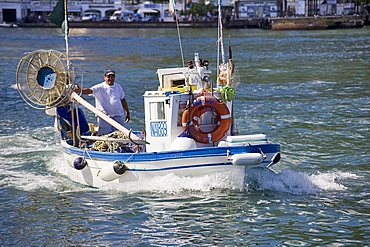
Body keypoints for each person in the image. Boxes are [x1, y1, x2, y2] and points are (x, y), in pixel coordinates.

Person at [74, 69, 130, 135]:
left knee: (119, 134)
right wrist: (80, 90)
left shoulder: (118, 87)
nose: (110, 78)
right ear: (105, 77)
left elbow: (122, 99)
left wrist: (127, 112)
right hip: (104, 117)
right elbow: (89, 90)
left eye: (112, 76)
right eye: (108, 76)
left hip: (118, 116)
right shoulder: (100, 87)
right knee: (104, 135)